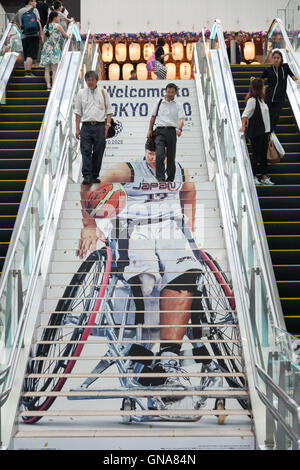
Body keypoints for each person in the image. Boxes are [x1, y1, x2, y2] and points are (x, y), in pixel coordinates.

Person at [76, 138, 223, 400]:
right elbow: (90, 182)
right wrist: (89, 224)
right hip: (132, 227)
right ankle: (140, 354)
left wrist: (189, 226)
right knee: (145, 279)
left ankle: (168, 358)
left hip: (168, 227)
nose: (152, 157)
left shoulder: (180, 171)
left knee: (187, 275)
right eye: (149, 151)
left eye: (158, 152)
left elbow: (189, 192)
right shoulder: (129, 170)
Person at [74, 70, 113, 185]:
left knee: (98, 151)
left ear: (97, 81)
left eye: (92, 80)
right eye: (88, 80)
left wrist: (108, 126)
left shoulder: (103, 92)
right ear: (85, 81)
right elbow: (77, 111)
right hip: (86, 126)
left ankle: (94, 175)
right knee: (85, 151)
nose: (90, 82)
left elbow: (109, 111)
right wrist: (77, 128)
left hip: (100, 126)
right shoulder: (81, 93)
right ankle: (87, 175)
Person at [147, 83, 184, 182]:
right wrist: (150, 129)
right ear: (166, 91)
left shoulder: (178, 105)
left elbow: (181, 119)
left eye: (172, 92)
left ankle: (170, 178)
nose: (170, 94)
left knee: (171, 156)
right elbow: (153, 117)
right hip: (159, 131)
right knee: (159, 155)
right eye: (168, 91)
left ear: (175, 92)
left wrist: (179, 129)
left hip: (171, 132)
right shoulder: (159, 102)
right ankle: (160, 178)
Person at [240, 78, 274, 185]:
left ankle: (264, 177)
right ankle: (253, 176)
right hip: (256, 132)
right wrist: (243, 126)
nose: (265, 88)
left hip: (264, 132)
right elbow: (245, 114)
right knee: (256, 155)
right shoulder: (252, 100)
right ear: (259, 88)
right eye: (263, 86)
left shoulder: (261, 100)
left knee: (263, 155)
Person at [260, 49, 300, 132]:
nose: (276, 59)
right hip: (269, 96)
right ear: (272, 59)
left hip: (280, 97)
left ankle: (272, 131)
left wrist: (298, 82)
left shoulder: (285, 67)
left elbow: (293, 77)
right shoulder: (268, 70)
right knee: (269, 115)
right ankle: (268, 132)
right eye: (274, 58)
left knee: (276, 115)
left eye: (278, 58)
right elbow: (261, 80)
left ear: (281, 59)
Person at [40, 11, 69, 90]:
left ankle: (48, 86)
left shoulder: (46, 26)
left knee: (47, 69)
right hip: (55, 49)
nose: (59, 18)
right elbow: (66, 36)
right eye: (58, 17)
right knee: (54, 69)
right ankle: (54, 86)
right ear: (55, 17)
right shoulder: (58, 26)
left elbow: (42, 40)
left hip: (46, 49)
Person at [14, 0, 44, 77]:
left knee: (26, 54)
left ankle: (27, 71)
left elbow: (14, 21)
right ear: (30, 2)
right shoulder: (35, 10)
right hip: (34, 35)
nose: (36, 3)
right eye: (34, 1)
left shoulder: (20, 11)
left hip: (24, 36)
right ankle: (27, 72)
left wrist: (21, 29)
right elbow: (38, 22)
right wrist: (41, 34)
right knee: (31, 54)